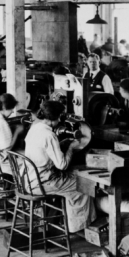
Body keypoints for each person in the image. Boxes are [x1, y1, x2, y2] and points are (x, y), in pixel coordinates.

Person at [24, 100, 96, 233]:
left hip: (29, 179)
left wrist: (60, 144)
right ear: (56, 118)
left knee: (74, 177)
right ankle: (77, 228)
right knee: (85, 185)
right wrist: (71, 148)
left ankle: (65, 221)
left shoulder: (35, 128)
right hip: (43, 182)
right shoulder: (49, 135)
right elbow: (62, 165)